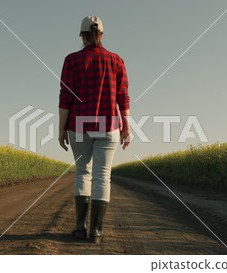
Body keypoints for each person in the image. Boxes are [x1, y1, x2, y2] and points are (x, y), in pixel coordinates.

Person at [58, 15, 131, 243]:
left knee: (83, 172)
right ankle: (96, 231)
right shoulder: (116, 60)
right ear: (101, 34)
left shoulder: (71, 60)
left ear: (82, 35)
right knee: (103, 176)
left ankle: (80, 227)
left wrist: (61, 130)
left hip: (79, 123)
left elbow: (65, 98)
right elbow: (123, 97)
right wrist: (126, 127)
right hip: (108, 123)